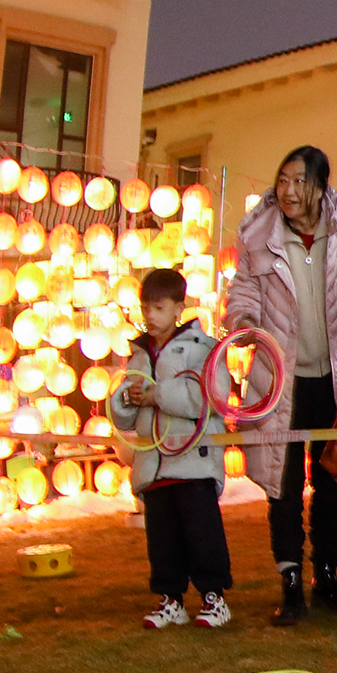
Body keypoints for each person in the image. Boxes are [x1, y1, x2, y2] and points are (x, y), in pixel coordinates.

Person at [226, 145, 337, 624]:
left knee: (332, 481)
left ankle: (326, 577)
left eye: (299, 181)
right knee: (282, 483)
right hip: (280, 382)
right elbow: (243, 290)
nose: (288, 191)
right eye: (282, 180)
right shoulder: (258, 234)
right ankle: (290, 584)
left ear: (321, 186)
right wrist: (243, 321)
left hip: (335, 382)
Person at [110, 267, 234, 629]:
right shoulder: (139, 354)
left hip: (193, 463)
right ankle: (170, 600)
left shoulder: (202, 349)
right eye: (145, 307)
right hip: (154, 465)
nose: (150, 315)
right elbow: (124, 418)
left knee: (202, 534)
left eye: (159, 307)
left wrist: (157, 395)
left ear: (179, 308)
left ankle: (214, 599)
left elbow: (210, 397)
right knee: (162, 539)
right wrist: (126, 399)